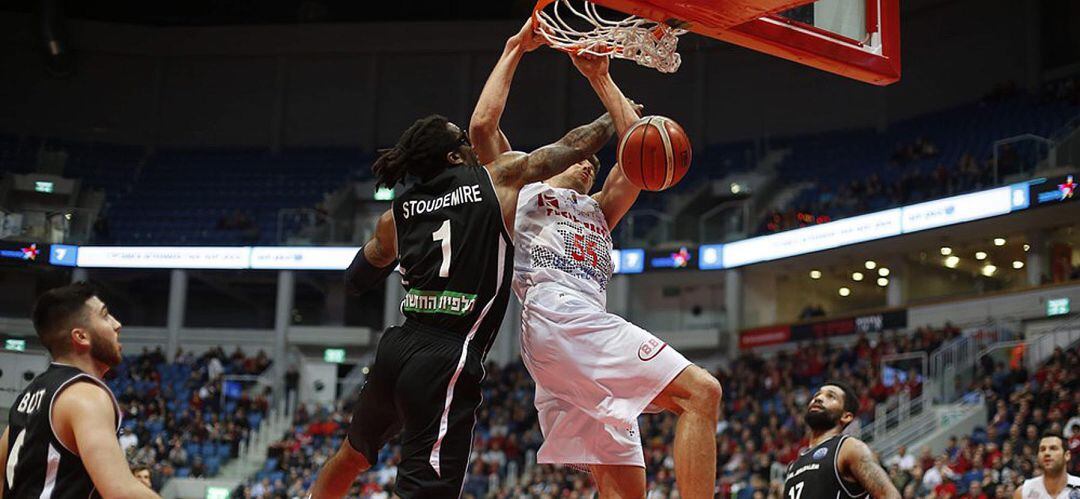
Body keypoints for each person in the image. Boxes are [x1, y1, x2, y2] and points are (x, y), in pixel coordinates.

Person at [308, 23, 616, 498]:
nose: (474, 148)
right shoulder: (496, 180)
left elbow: (357, 279)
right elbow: (572, 147)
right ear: (455, 156)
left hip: (399, 344)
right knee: (427, 489)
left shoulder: (397, 214)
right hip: (446, 355)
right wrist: (616, 117)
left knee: (352, 455)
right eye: (463, 144)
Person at [468, 22, 723, 498]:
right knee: (701, 392)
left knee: (627, 491)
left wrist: (601, 79)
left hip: (577, 333)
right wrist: (513, 49)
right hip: (558, 316)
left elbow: (636, 152)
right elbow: (482, 128)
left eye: (595, 162)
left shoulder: (599, 210)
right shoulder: (519, 191)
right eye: (583, 156)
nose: (591, 162)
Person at [0, 282, 159, 498]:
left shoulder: (29, 395)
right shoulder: (84, 395)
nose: (117, 324)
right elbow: (121, 492)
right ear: (81, 337)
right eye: (105, 316)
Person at [783, 382, 901, 499]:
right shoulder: (793, 466)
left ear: (846, 416)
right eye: (817, 395)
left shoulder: (848, 447)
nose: (818, 398)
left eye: (831, 396)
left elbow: (889, 495)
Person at [1014, 433, 1079, 499]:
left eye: (1053, 448)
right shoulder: (1023, 492)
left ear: (1067, 455)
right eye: (1042, 449)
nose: (1046, 453)